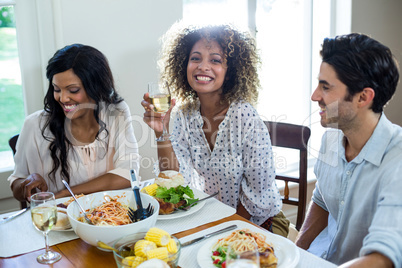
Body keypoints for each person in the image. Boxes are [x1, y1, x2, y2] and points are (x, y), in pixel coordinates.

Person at [142, 23, 287, 235]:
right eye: (195, 58)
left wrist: (227, 231)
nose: (203, 66)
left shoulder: (244, 116)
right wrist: (161, 131)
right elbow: (173, 181)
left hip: (258, 223)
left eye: (215, 60)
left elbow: (258, 194)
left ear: (229, 72)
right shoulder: (185, 114)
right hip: (214, 218)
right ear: (185, 65)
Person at [295, 33, 402, 267]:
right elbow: (323, 200)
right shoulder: (331, 137)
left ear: (363, 97)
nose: (314, 96)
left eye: (326, 87)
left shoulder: (397, 161)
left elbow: (383, 258)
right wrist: (294, 255)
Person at [9, 44, 140, 201]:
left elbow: (127, 175)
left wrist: (66, 193)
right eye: (57, 89)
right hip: (60, 221)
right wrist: (26, 183)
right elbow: (16, 186)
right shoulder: (33, 125)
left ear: (96, 87)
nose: (63, 98)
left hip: (109, 219)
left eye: (73, 90)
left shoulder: (116, 112)